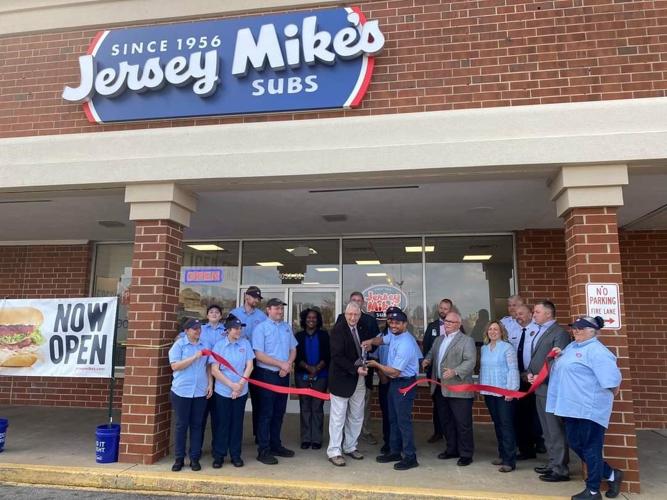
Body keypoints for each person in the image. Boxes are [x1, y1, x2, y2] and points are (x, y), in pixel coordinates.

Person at [547, 315, 624, 500]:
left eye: (581, 328)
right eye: (575, 327)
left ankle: (593, 490)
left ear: (593, 330)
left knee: (591, 448)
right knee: (575, 443)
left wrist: (599, 401)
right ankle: (612, 474)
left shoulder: (598, 351)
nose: (576, 330)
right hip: (571, 407)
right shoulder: (573, 346)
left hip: (589, 409)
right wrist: (558, 356)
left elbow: (613, 382)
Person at [365, 307, 422, 470]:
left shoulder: (406, 342)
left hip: (403, 383)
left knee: (403, 421)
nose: (393, 325)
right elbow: (382, 340)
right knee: (393, 419)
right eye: (391, 322)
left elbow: (395, 371)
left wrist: (376, 364)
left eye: (397, 322)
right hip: (394, 384)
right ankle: (395, 451)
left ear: (405, 324)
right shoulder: (394, 335)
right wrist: (370, 341)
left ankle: (410, 457)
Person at [422, 311, 476, 466]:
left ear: (459, 324)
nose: (447, 324)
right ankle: (452, 449)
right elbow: (432, 354)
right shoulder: (439, 339)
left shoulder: (467, 340)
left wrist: (455, 371)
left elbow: (470, 361)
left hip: (459, 388)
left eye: (451, 322)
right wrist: (427, 360)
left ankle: (466, 453)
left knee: (463, 423)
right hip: (440, 387)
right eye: (445, 321)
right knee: (446, 422)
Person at [528, 300, 571, 482]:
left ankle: (560, 468)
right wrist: (530, 373)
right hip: (540, 387)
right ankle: (553, 462)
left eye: (537, 312)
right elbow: (538, 357)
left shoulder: (559, 333)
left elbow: (557, 361)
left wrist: (541, 376)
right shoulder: (541, 330)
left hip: (550, 388)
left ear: (548, 314)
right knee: (546, 429)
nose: (534, 314)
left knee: (555, 429)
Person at [251, 297, 297, 465]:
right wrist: (281, 364)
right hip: (267, 375)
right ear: (268, 310)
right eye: (276, 308)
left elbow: (293, 349)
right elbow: (259, 355)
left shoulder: (286, 328)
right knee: (266, 414)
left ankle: (276, 445)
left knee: (279, 412)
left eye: (281, 308)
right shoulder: (260, 328)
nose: (280, 311)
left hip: (283, 375)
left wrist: (288, 364)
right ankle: (263, 450)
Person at [327, 301, 372, 466]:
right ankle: (334, 451)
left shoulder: (362, 328)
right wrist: (355, 369)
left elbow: (366, 349)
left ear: (360, 315)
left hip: (359, 379)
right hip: (342, 379)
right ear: (345, 315)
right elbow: (337, 357)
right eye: (350, 314)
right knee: (338, 417)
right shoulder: (338, 330)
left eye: (356, 315)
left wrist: (368, 348)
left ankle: (350, 446)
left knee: (357, 415)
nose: (353, 317)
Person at [209, 314, 254, 468]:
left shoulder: (245, 344)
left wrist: (240, 385)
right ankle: (219, 455)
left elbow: (250, 366)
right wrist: (231, 385)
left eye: (240, 328)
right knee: (222, 423)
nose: (238, 331)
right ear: (227, 330)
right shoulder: (219, 346)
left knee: (237, 424)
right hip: (223, 390)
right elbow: (215, 370)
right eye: (235, 328)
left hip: (241, 391)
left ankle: (235, 455)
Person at [337, 291, 380, 445]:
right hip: (345, 371)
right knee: (342, 408)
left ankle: (364, 432)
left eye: (359, 301)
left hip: (364, 369)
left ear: (363, 303)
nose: (353, 317)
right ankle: (341, 437)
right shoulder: (341, 320)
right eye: (353, 300)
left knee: (362, 405)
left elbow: (376, 342)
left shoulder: (369, 320)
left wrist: (370, 347)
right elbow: (337, 348)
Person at [168, 319, 212, 472]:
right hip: (182, 391)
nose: (197, 331)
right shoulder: (179, 345)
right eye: (194, 329)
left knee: (197, 425)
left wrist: (210, 384)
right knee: (181, 425)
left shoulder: (205, 344)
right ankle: (179, 458)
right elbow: (175, 366)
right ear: (186, 331)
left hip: (200, 391)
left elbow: (208, 366)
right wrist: (194, 357)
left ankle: (194, 458)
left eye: (199, 328)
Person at [480, 321, 520, 473]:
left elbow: (513, 369)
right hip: (489, 392)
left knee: (506, 425)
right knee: (497, 424)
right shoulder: (484, 348)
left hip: (504, 392)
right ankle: (502, 455)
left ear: (502, 332)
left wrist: (512, 390)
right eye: (490, 329)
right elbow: (483, 370)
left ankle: (510, 460)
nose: (493, 331)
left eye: (496, 329)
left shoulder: (507, 347)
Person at [230, 286, 268, 442]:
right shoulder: (235, 313)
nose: (257, 301)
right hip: (238, 361)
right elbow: (228, 333)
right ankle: (233, 435)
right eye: (254, 298)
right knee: (237, 396)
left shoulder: (262, 316)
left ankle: (258, 435)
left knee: (259, 399)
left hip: (256, 361)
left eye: (258, 299)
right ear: (246, 297)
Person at [294, 308, 330, 450]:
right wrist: (309, 368)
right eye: (309, 317)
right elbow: (296, 356)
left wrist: (316, 369)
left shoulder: (324, 335)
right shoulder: (299, 336)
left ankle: (316, 439)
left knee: (317, 407)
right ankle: (305, 438)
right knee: (305, 407)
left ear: (318, 320)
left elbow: (328, 354)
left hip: (321, 375)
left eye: (314, 317)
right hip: (302, 375)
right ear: (304, 319)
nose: (311, 320)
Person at [514, 303, 545, 459]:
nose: (518, 317)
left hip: (535, 379)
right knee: (522, 414)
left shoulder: (538, 331)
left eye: (521, 313)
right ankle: (526, 449)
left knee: (537, 414)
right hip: (520, 378)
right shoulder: (515, 331)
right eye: (516, 314)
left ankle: (538, 442)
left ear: (530, 314)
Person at [422, 298, 454, 444]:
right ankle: (438, 432)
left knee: (451, 404)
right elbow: (426, 347)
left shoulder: (457, 327)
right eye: (441, 308)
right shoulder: (432, 326)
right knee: (437, 403)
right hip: (435, 374)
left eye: (445, 308)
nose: (442, 310)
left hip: (452, 375)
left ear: (450, 310)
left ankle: (452, 433)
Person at [199, 304, 225, 455]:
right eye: (211, 312)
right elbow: (184, 336)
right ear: (207, 315)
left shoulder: (226, 330)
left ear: (221, 316)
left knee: (218, 416)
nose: (214, 314)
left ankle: (217, 448)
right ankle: (197, 447)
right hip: (204, 375)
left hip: (222, 377)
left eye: (217, 312)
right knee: (201, 416)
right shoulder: (200, 329)